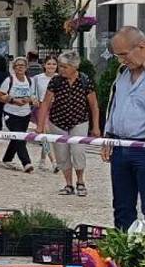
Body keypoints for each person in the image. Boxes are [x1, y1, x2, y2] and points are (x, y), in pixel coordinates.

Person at [39, 51, 100, 197]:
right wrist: (40, 125)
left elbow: (94, 105)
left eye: (64, 67)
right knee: (61, 155)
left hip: (79, 121)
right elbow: (46, 103)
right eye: (60, 66)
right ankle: (68, 184)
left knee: (78, 151)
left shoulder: (85, 81)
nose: (61, 69)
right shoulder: (56, 81)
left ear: (74, 67)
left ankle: (80, 181)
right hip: (58, 121)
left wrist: (96, 126)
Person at [105, 27, 145, 229]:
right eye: (118, 56)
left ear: (141, 47)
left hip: (144, 147)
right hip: (120, 146)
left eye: (124, 55)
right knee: (122, 205)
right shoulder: (122, 74)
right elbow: (114, 104)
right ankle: (123, 250)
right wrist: (108, 135)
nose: (122, 60)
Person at [0, 56, 39, 172]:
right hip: (11, 113)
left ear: (26, 67)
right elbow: (0, 96)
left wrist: (30, 100)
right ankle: (26, 163)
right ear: (14, 68)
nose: (20, 68)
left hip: (25, 113)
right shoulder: (9, 80)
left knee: (17, 136)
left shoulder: (30, 81)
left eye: (22, 65)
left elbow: (33, 95)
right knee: (20, 137)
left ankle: (7, 158)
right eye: (17, 66)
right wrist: (13, 100)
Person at [33, 55, 59, 170]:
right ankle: (53, 161)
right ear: (44, 65)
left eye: (53, 64)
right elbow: (32, 92)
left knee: (46, 136)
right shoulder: (37, 78)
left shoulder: (60, 78)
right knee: (46, 132)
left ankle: (43, 159)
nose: (51, 66)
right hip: (42, 109)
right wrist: (34, 98)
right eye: (49, 64)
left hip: (56, 109)